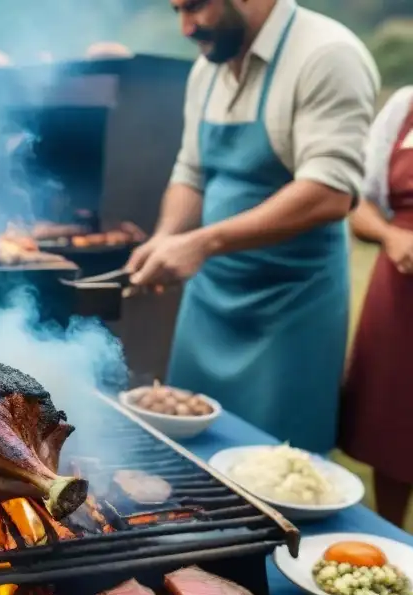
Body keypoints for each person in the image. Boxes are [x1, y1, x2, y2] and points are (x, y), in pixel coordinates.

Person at [127, 0, 379, 454]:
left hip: (291, 306)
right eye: (177, 10)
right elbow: (191, 174)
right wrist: (167, 237)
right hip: (209, 300)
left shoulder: (327, 54)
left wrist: (201, 243)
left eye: (197, 7)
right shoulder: (208, 68)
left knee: (279, 463)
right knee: (190, 450)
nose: (186, 26)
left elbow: (329, 191)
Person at [339, 86, 413, 529]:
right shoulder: (405, 105)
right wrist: (392, 237)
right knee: (396, 418)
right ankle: (393, 537)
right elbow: (358, 202)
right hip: (403, 290)